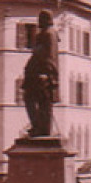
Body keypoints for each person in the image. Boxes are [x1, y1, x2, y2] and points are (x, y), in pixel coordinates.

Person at [22, 9, 59, 138]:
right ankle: (38, 126)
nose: (38, 21)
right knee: (33, 100)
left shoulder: (49, 34)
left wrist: (48, 74)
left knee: (40, 101)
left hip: (41, 74)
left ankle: (41, 128)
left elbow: (50, 55)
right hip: (35, 73)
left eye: (41, 18)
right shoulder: (44, 34)